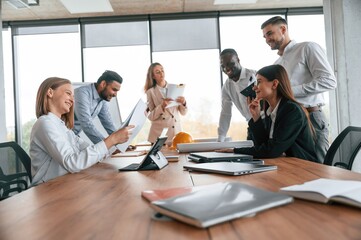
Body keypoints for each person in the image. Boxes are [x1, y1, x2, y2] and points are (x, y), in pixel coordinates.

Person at [30, 77, 134, 185]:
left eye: (73, 96)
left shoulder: (62, 127)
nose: (73, 100)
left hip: (65, 182)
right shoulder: (45, 123)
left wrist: (111, 149)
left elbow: (86, 150)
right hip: (47, 188)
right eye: (68, 93)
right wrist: (112, 140)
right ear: (50, 92)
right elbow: (72, 162)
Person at [261, 16, 337, 163]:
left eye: (269, 33)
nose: (267, 39)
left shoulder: (307, 48)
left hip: (311, 117)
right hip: (289, 121)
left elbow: (329, 81)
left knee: (318, 167)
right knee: (294, 167)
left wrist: (288, 91)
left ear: (283, 29)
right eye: (264, 36)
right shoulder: (277, 63)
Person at [218, 65, 319, 163]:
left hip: (303, 167)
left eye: (259, 82)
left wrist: (236, 151)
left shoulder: (291, 110)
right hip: (285, 164)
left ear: (275, 84)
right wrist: (256, 117)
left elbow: (272, 150)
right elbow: (262, 145)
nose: (254, 87)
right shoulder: (270, 111)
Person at [72, 70, 123, 144]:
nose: (115, 95)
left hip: (73, 136)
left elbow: (108, 123)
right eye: (114, 90)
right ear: (103, 84)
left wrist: (120, 144)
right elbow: (87, 124)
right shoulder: (82, 94)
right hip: (62, 136)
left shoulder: (102, 99)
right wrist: (108, 145)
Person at [218, 48, 257, 142]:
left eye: (230, 64)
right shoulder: (227, 86)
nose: (226, 68)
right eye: (222, 66)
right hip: (251, 126)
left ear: (238, 60)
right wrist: (220, 139)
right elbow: (225, 113)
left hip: (266, 123)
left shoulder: (254, 76)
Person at [144, 63, 187, 146]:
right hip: (159, 135)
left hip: (176, 133)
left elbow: (183, 113)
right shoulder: (150, 92)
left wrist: (184, 103)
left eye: (162, 70)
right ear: (153, 76)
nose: (161, 73)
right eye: (158, 72)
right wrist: (162, 106)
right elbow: (150, 116)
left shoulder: (175, 88)